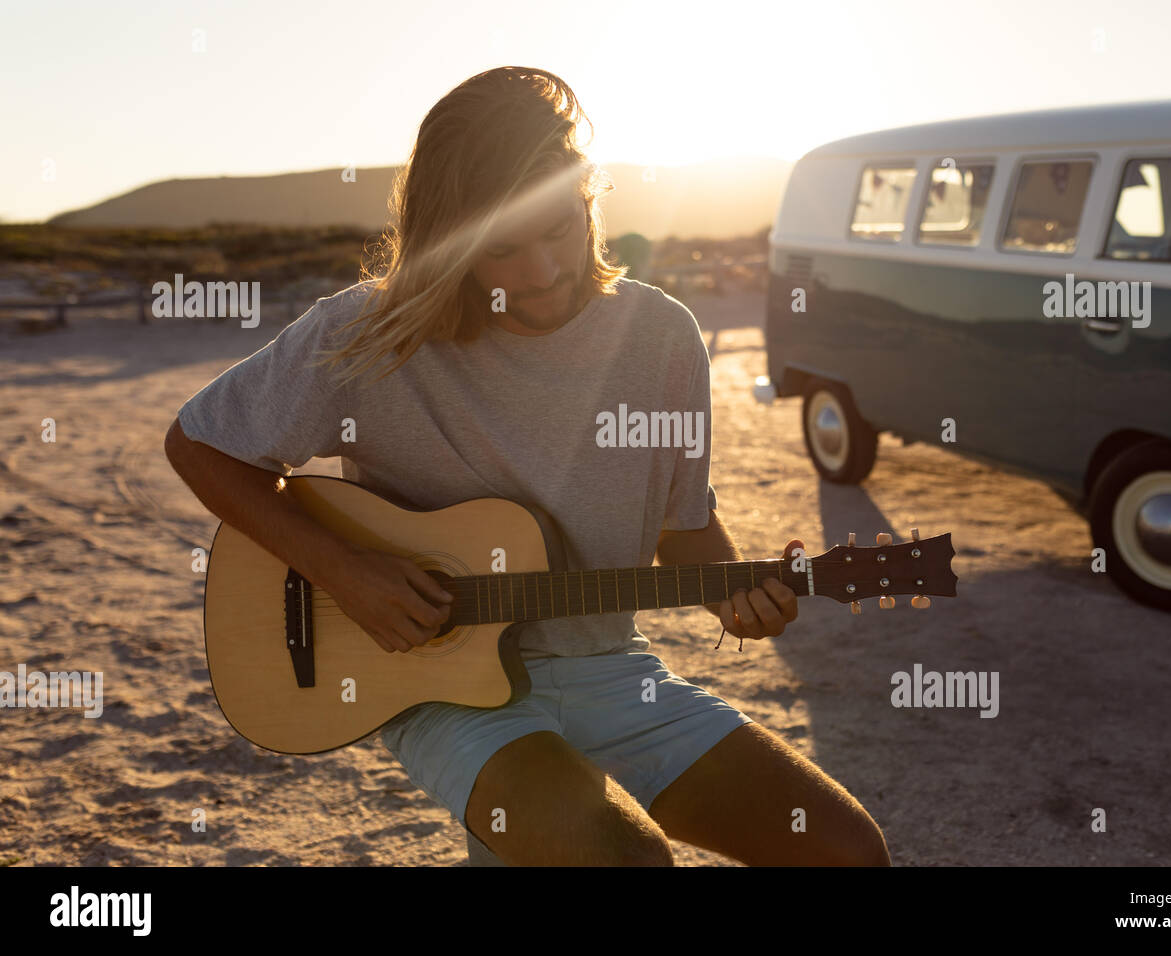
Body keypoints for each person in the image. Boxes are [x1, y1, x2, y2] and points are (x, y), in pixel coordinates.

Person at [164, 66, 889, 867]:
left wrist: (740, 595)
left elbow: (685, 534)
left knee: (846, 852)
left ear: (591, 202)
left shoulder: (662, 338)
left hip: (611, 668)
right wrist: (343, 570)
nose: (543, 273)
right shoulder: (367, 333)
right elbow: (199, 444)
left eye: (560, 230)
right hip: (437, 682)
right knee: (623, 860)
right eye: (502, 249)